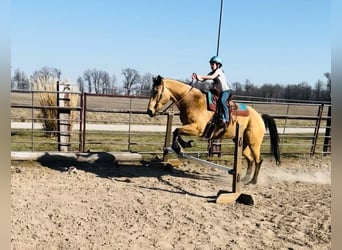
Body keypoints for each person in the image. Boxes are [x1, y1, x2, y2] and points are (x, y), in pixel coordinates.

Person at [192, 55, 232, 128]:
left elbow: (211, 77)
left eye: (213, 64)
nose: (211, 65)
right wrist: (197, 77)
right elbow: (203, 80)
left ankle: (226, 119)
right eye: (211, 64)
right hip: (220, 92)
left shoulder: (219, 71)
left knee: (222, 101)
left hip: (226, 91)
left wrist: (200, 76)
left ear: (218, 65)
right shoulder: (211, 72)